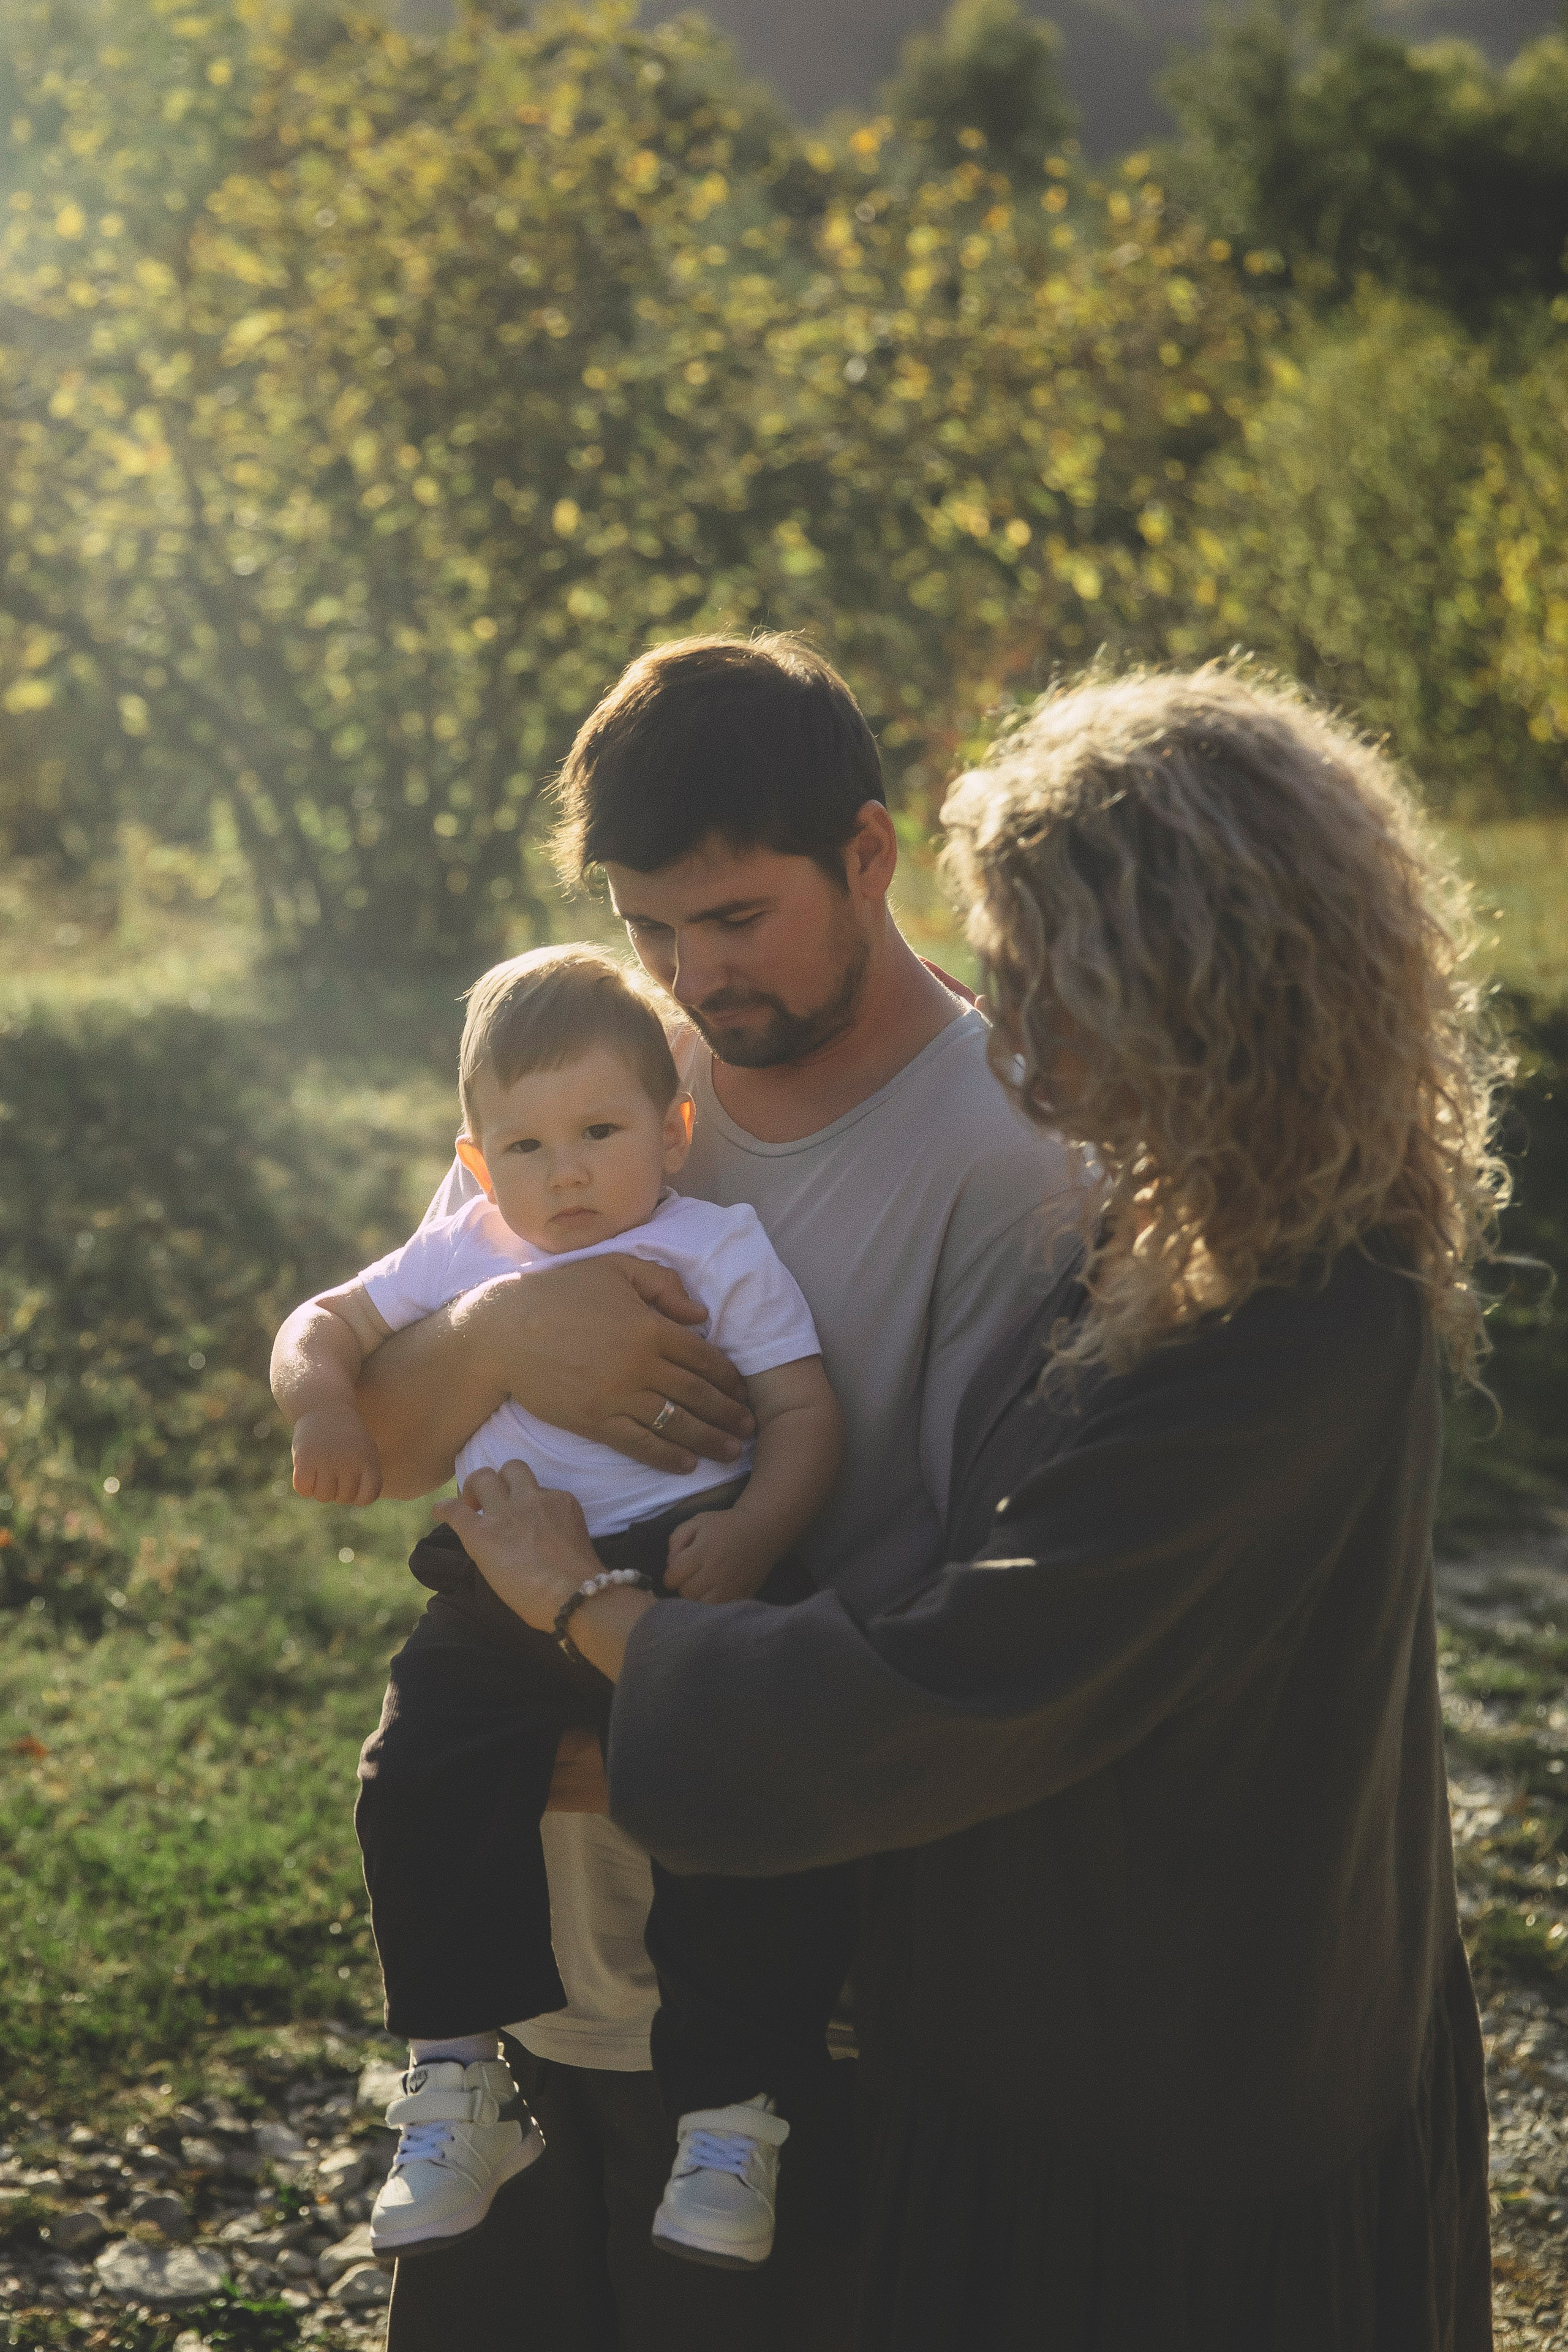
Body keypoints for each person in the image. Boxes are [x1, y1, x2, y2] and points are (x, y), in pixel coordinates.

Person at [440, 664, 1499, 2351]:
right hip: (1109, 2046)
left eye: (1053, 984)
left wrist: (585, 1618)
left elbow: (959, 1681)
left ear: (1196, 992)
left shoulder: (1298, 1322)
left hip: (1189, 2096)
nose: (1012, 1033)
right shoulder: (1192, 1241)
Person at [345, 633, 1080, 2350]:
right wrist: (506, 1323)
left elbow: (975, 1601)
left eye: (735, 920)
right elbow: (368, 1451)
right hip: (528, 1895)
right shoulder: (613, 1084)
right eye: (647, 925)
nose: (692, 972)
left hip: (777, 1914)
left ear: (871, 855)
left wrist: (644, 1680)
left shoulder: (1002, 1156)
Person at [270, 943, 846, 2271]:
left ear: (672, 1129)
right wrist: (319, 1402)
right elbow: (320, 1322)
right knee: (414, 1772)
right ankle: (461, 2076)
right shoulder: (468, 1250)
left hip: (690, 1564)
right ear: (475, 1163)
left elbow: (806, 1411)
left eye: (598, 1132)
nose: (566, 1171)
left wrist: (756, 1533)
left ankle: (731, 2117)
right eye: (524, 1147)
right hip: (502, 1579)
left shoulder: (716, 1244)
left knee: (732, 1811)